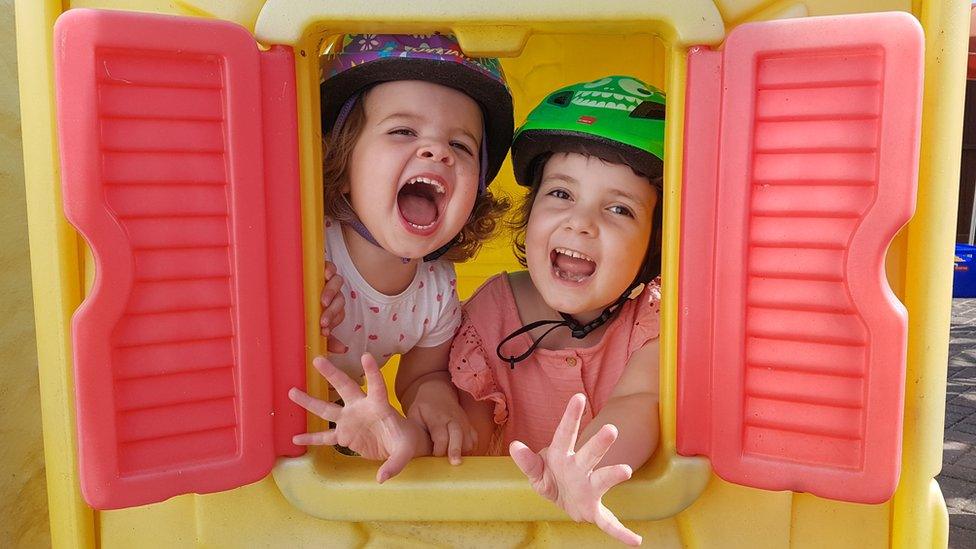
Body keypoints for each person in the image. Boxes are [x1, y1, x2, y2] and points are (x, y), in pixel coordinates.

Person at [294, 75, 665, 546]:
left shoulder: (653, 322)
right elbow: (460, 431)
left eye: (620, 210)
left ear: (655, 246)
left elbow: (637, 405)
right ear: (529, 217)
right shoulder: (490, 312)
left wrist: (587, 469)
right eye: (561, 194)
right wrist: (404, 437)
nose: (581, 222)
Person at [290, 34, 514, 463]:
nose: (437, 151)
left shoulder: (437, 291)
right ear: (341, 161)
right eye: (403, 130)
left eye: (461, 146)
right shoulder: (305, 244)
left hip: (338, 435)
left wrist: (434, 397)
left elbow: (422, 373)